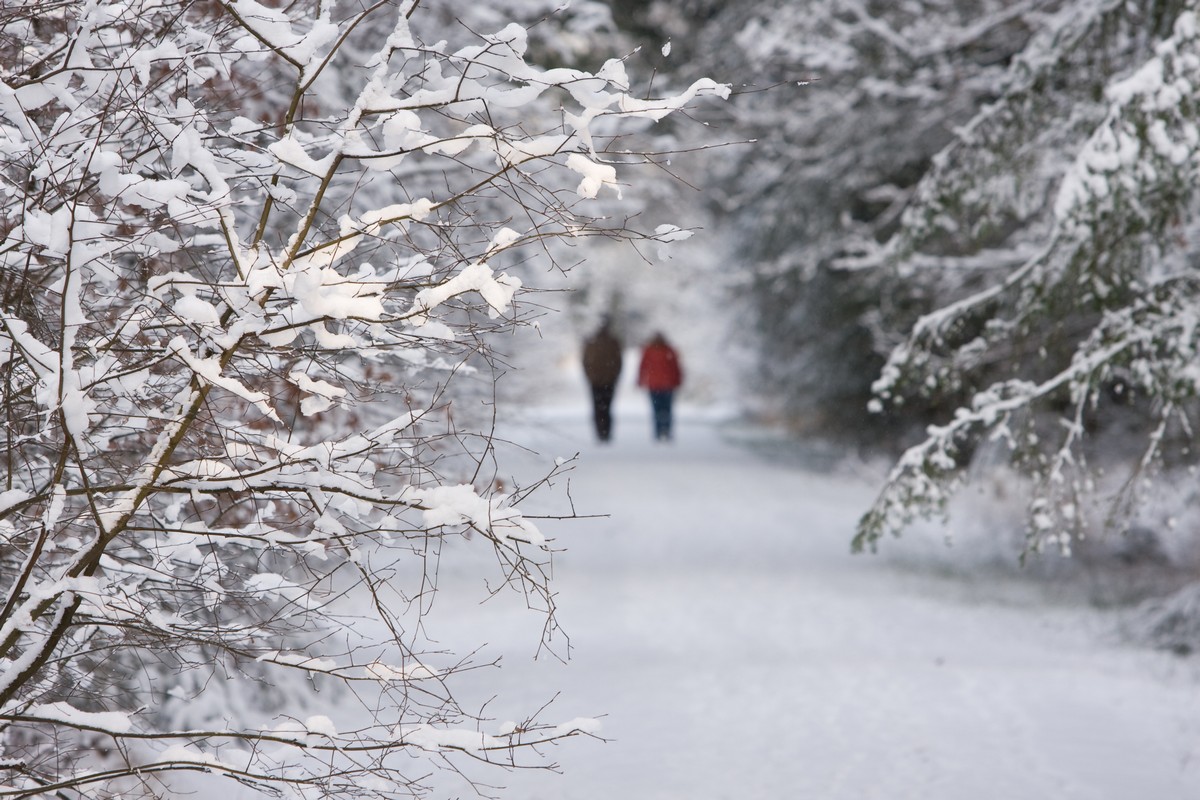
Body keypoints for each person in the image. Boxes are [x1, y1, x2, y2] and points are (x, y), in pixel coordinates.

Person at [582, 318, 623, 441]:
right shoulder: (613, 342)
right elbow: (619, 363)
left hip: (596, 382)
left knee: (598, 408)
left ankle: (601, 432)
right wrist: (614, 376)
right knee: (607, 408)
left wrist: (590, 376)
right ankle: (605, 432)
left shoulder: (591, 342)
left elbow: (585, 362)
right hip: (608, 381)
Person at [637, 332, 683, 441]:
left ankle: (658, 431)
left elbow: (642, 366)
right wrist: (677, 381)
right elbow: (676, 367)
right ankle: (666, 430)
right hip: (667, 385)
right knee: (667, 409)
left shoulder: (649, 351)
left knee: (656, 409)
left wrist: (640, 380)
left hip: (654, 385)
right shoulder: (669, 350)